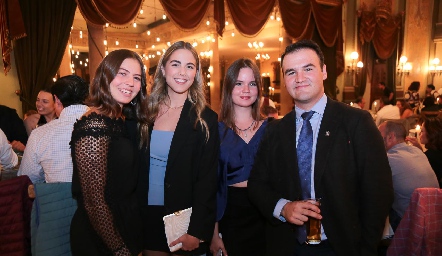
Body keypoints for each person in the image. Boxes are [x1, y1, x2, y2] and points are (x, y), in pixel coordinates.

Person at [247, 39, 393, 256]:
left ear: (324, 71)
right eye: (290, 72)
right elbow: (257, 185)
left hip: (342, 247)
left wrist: (366, 249)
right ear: (285, 81)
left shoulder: (356, 122)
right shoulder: (274, 130)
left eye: (308, 68)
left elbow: (378, 193)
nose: (299, 78)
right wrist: (283, 208)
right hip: (287, 246)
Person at [135, 41, 219, 255]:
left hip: (183, 220)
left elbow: (207, 182)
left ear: (196, 73)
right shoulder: (145, 113)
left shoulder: (205, 119)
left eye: (190, 66)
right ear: (163, 69)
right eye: (175, 64)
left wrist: (197, 231)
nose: (182, 72)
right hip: (146, 217)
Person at [70, 49, 148, 255]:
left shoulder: (119, 119)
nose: (130, 82)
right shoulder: (94, 124)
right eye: (122, 73)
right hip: (101, 236)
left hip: (124, 224)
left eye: (137, 77)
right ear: (105, 76)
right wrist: (120, 250)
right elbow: (94, 202)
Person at [209, 58, 267, 256]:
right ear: (228, 88)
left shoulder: (271, 130)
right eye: (239, 83)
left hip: (266, 214)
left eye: (252, 84)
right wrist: (214, 234)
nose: (246, 90)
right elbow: (212, 186)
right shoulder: (215, 131)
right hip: (230, 216)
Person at [17, 75, 89, 184]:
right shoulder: (109, 124)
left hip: (57, 198)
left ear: (56, 99)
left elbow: (28, 177)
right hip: (102, 198)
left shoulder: (40, 134)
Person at [378, 121, 438, 231]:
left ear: (391, 137)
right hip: (433, 218)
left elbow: (374, 189)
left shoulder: (388, 159)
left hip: (410, 223)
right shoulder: (418, 151)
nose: (375, 140)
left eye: (378, 135)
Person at [406, 116, 442, 188]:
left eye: (422, 131)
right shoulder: (436, 152)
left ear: (431, 133)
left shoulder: (431, 157)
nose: (419, 134)